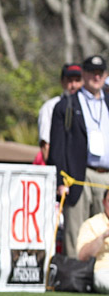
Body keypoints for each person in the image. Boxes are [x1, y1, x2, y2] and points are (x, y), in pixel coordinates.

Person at [48, 55, 109, 257]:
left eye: (100, 73)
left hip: (106, 176)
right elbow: (56, 148)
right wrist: (60, 180)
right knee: (76, 230)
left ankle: (100, 273)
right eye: (92, 72)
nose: (96, 77)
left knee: (103, 228)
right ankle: (75, 276)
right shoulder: (66, 106)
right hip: (78, 175)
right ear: (84, 74)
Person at [37, 63, 83, 164]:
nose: (73, 85)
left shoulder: (89, 108)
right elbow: (46, 145)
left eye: (77, 80)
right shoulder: (51, 106)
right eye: (69, 81)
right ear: (62, 82)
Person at [76, 188, 109, 293]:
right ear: (104, 202)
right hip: (102, 270)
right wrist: (102, 236)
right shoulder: (92, 224)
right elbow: (82, 256)